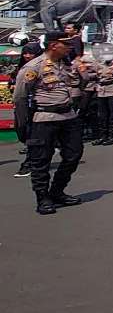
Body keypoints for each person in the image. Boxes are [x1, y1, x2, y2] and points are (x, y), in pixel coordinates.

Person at [15, 31, 84, 214]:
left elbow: (79, 84)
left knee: (74, 155)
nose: (69, 47)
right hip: (44, 118)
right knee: (41, 160)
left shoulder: (65, 64)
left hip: (68, 117)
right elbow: (20, 98)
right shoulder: (34, 67)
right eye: (66, 44)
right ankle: (42, 198)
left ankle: (57, 191)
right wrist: (22, 124)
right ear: (54, 45)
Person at [11, 41, 42, 178]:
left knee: (32, 134)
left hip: (36, 106)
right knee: (21, 130)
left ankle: (29, 163)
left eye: (31, 53)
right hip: (21, 105)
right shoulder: (22, 68)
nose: (27, 55)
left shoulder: (41, 66)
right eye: (25, 53)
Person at [91, 52, 113, 146]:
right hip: (102, 91)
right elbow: (97, 77)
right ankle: (103, 136)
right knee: (102, 115)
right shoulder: (99, 64)